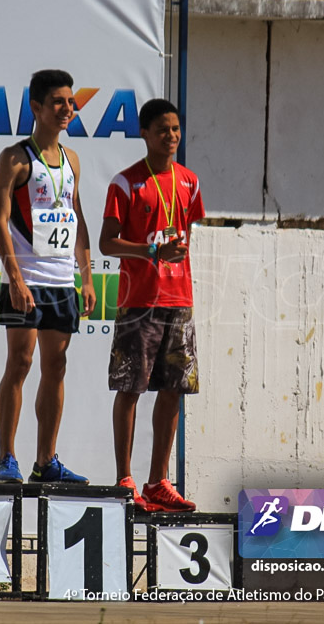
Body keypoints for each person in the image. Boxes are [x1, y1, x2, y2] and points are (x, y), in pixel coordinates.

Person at [0, 69, 96, 484]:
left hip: (61, 280)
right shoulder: (15, 158)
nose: (67, 109)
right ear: (36, 107)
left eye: (70, 102)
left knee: (57, 365)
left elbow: (77, 218)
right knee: (20, 362)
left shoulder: (72, 160)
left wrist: (86, 277)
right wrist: (14, 278)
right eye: (58, 102)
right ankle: (7, 458)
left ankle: (45, 461)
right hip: (27, 278)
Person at [99, 98, 203, 512]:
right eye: (163, 129)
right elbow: (108, 243)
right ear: (144, 133)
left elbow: (185, 234)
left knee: (174, 389)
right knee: (130, 388)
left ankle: (159, 481)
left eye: (176, 129)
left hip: (180, 299)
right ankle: (126, 478)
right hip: (139, 301)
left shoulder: (190, 181)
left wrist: (171, 255)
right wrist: (148, 252)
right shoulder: (125, 184)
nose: (171, 136)